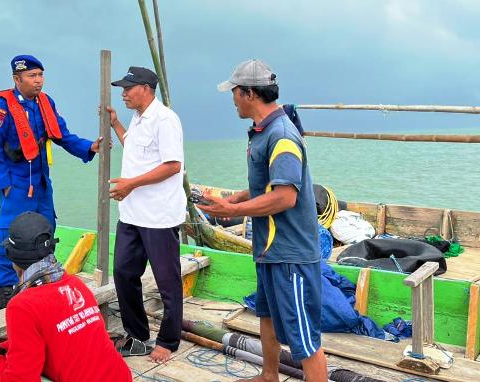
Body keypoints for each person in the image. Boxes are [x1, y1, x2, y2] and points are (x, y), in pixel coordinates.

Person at [198, 59, 328, 382]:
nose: (232, 99)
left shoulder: (282, 135)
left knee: (305, 340)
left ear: (249, 94)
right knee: (266, 315)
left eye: (234, 92)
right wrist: (233, 200)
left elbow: (286, 196)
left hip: (291, 255)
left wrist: (231, 212)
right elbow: (265, 182)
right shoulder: (262, 132)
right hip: (269, 250)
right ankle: (269, 375)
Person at [0, 54, 104, 309]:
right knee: (8, 238)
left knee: (46, 233)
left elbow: (63, 136)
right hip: (15, 183)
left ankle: (44, 293)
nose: (38, 81)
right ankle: (6, 302)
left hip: (41, 182)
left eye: (40, 75)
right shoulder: (0, 109)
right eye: (32, 76)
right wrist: (3, 184)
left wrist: (90, 147)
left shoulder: (45, 103)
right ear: (17, 79)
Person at [0, 211, 132, 382]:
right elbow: (54, 333)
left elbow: (21, 379)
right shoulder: (75, 284)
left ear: (13, 259)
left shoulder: (22, 306)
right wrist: (1, 347)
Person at [104, 66, 186, 363]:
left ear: (147, 88)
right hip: (132, 214)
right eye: (122, 88)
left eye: (128, 87)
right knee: (124, 273)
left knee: (167, 282)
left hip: (158, 217)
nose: (123, 93)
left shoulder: (165, 119)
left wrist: (130, 184)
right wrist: (116, 125)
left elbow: (172, 165)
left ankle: (168, 340)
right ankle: (137, 335)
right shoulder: (138, 118)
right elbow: (136, 150)